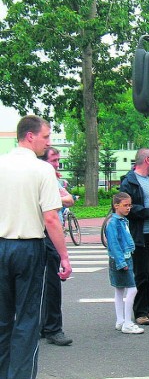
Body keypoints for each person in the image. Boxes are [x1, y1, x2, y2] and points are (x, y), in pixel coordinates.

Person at [0, 115, 72, 379]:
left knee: (3, 320)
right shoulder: (42, 169)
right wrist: (64, 256)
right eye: (46, 137)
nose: (48, 143)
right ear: (30, 136)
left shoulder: (1, 164)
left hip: (1, 245)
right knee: (28, 319)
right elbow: (51, 217)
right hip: (29, 246)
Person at [119, 148, 149, 326]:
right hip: (139, 234)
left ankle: (147, 308)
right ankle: (138, 312)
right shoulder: (129, 182)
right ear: (147, 160)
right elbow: (128, 209)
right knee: (141, 273)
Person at [38, 147, 74, 346]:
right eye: (54, 160)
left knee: (46, 283)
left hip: (45, 234)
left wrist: (58, 199)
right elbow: (53, 213)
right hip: (44, 233)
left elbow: (69, 199)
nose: (57, 164)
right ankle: (52, 328)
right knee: (49, 283)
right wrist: (64, 255)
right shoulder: (41, 177)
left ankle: (45, 326)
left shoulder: (52, 179)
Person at [105, 192, 143, 334]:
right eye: (125, 205)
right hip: (121, 259)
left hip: (123, 258)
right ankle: (127, 322)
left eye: (130, 205)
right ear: (116, 206)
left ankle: (120, 320)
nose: (128, 208)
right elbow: (114, 244)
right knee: (132, 289)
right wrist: (122, 262)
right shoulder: (114, 223)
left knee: (119, 290)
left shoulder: (121, 220)